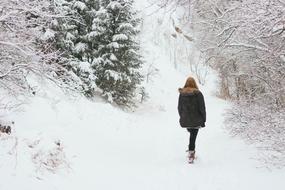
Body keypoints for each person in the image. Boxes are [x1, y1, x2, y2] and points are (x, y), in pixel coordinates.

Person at [178, 76, 206, 163]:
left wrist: (182, 117)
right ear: (194, 83)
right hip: (196, 119)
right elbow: (202, 107)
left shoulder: (182, 94)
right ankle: (191, 153)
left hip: (186, 119)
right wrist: (204, 119)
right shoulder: (198, 93)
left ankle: (191, 150)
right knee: (193, 135)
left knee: (191, 133)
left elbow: (179, 107)